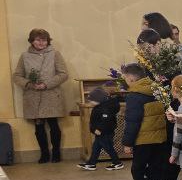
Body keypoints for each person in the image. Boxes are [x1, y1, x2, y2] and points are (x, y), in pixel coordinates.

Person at [116, 64, 167, 180]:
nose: (125, 81)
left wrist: (127, 143)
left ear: (131, 78)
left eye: (125, 78)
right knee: (157, 168)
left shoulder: (135, 95)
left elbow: (133, 121)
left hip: (143, 139)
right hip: (160, 137)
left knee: (138, 169)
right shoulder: (156, 89)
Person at [13, 28, 69, 163]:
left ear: (48, 41)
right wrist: (29, 84)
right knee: (39, 126)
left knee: (53, 124)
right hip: (33, 96)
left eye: (44, 40)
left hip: (51, 95)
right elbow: (17, 76)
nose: (41, 43)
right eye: (38, 40)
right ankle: (44, 154)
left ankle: (56, 153)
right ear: (32, 41)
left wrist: (46, 84)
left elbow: (63, 74)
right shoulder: (24, 56)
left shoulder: (55, 54)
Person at [80, 84, 123, 171]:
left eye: (92, 101)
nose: (91, 102)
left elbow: (105, 121)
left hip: (105, 132)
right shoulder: (100, 106)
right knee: (96, 147)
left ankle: (117, 163)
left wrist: (99, 129)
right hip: (101, 131)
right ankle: (91, 163)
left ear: (99, 99)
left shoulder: (105, 108)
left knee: (108, 147)